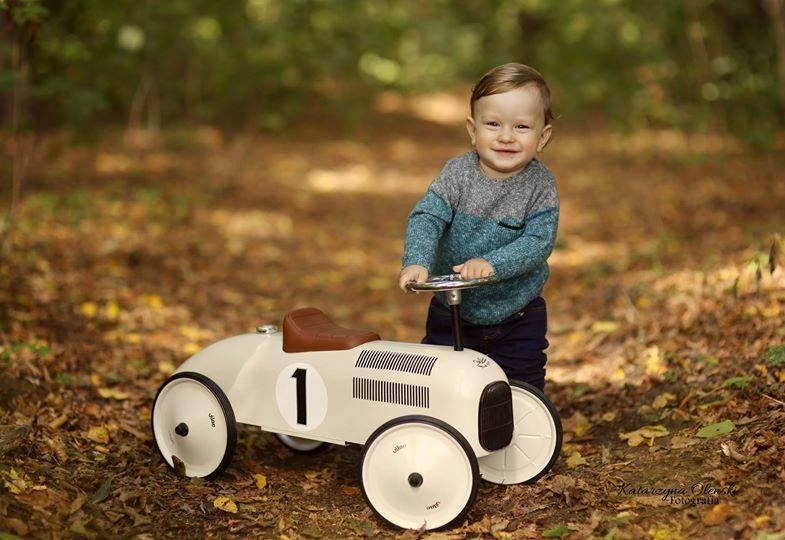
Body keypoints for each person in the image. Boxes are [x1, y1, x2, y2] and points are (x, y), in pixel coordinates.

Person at [398, 63, 558, 391]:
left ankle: (520, 433)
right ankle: (444, 435)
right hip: (451, 309)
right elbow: (428, 217)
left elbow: (538, 241)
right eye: (493, 124)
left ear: (542, 136)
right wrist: (417, 260)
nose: (506, 136)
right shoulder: (458, 174)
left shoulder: (540, 184)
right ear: (473, 130)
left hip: (518, 314)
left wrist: (492, 264)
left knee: (521, 383)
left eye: (522, 127)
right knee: (439, 383)